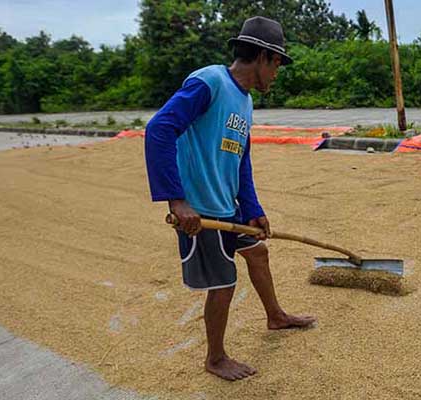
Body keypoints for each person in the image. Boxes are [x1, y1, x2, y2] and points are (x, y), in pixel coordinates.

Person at [144, 16, 315, 381]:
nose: (279, 72)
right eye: (279, 64)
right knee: (224, 283)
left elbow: (241, 159)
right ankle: (216, 358)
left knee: (258, 251)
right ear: (263, 57)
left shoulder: (246, 102)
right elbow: (159, 129)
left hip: (229, 205)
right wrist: (176, 200)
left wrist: (253, 209)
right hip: (200, 209)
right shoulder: (209, 83)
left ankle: (275, 316)